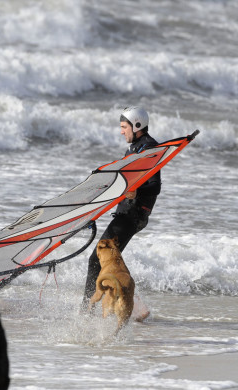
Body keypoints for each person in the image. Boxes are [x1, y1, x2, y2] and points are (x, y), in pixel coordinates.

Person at [82, 106, 161, 307]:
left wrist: (136, 192)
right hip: (126, 213)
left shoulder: (149, 149)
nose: (121, 131)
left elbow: (154, 185)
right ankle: (137, 307)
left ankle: (86, 310)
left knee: (96, 260)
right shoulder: (135, 148)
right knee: (113, 262)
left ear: (137, 126)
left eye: (124, 127)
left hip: (132, 215)